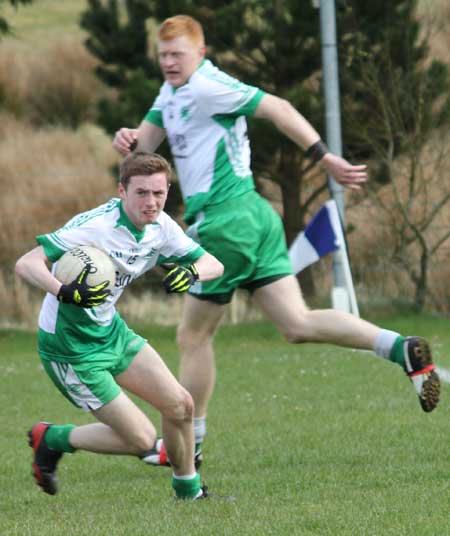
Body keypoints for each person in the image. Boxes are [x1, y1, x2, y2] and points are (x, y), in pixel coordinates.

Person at [112, 15, 441, 467]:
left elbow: (278, 108)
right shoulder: (171, 92)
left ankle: (190, 446)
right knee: (297, 323)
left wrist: (323, 156)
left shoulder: (209, 86)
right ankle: (400, 348)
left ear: (201, 54)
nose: (168, 62)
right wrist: (126, 139)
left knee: (193, 335)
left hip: (228, 224)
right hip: (255, 217)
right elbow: (142, 149)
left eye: (178, 55)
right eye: (163, 55)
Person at [15, 152, 224, 500]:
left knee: (180, 406)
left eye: (159, 193)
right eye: (141, 193)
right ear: (122, 191)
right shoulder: (95, 227)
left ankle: (189, 492)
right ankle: (51, 438)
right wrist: (64, 290)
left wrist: (191, 272)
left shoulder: (161, 226)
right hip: (70, 347)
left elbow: (213, 263)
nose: (151, 202)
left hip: (110, 331)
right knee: (142, 440)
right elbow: (27, 263)